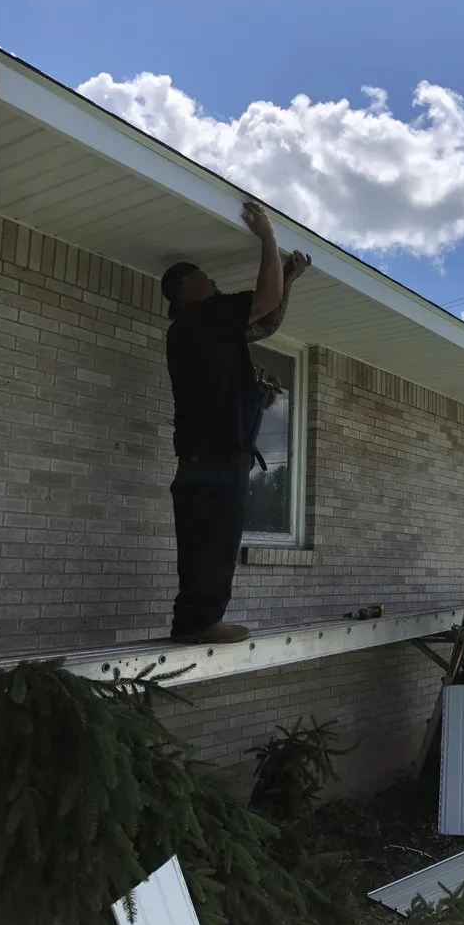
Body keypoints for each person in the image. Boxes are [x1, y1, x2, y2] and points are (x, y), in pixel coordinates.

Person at [161, 201, 311, 644]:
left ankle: (192, 621)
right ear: (187, 284)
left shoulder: (199, 330)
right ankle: (202, 622)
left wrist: (289, 279)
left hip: (203, 457)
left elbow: (261, 323)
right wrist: (268, 236)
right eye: (207, 277)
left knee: (202, 541)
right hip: (214, 457)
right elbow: (263, 302)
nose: (214, 281)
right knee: (215, 539)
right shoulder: (203, 318)